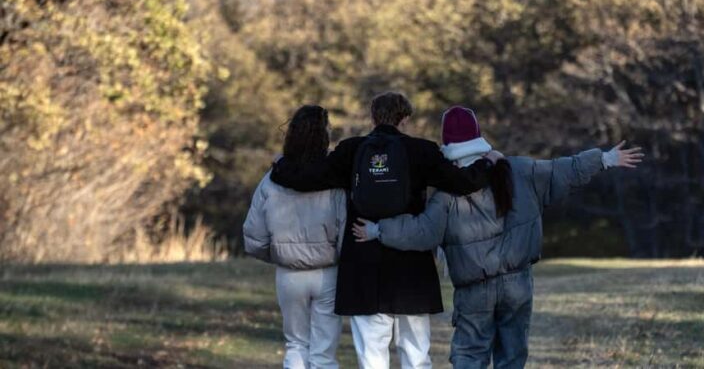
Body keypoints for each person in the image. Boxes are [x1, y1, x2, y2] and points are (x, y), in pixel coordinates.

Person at [353, 106, 644, 368]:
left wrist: (378, 230)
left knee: (470, 355)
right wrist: (605, 159)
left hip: (474, 289)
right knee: (512, 356)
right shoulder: (519, 169)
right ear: (479, 135)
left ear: (447, 143)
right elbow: (563, 170)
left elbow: (422, 232)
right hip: (518, 283)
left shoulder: (447, 192)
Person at [269, 92, 496, 369]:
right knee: (416, 355)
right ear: (406, 119)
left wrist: (280, 167)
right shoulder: (422, 151)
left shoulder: (351, 150)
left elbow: (308, 178)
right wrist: (488, 163)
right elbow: (462, 182)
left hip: (364, 267)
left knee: (372, 356)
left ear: (373, 117)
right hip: (412, 271)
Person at [243, 105, 347, 369]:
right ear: (324, 135)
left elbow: (253, 237)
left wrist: (280, 252)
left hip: (289, 274)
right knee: (324, 353)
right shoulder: (336, 179)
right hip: (328, 274)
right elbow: (346, 226)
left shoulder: (272, 179)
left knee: (295, 344)